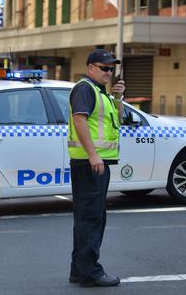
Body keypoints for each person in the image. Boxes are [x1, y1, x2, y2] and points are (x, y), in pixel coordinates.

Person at [67, 49, 125, 287]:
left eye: (111, 69)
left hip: (96, 163)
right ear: (91, 67)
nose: (109, 73)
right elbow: (79, 120)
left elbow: (117, 121)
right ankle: (90, 273)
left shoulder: (102, 93)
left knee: (89, 218)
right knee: (91, 219)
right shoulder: (84, 89)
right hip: (90, 164)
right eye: (104, 68)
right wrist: (93, 155)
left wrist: (118, 99)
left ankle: (78, 270)